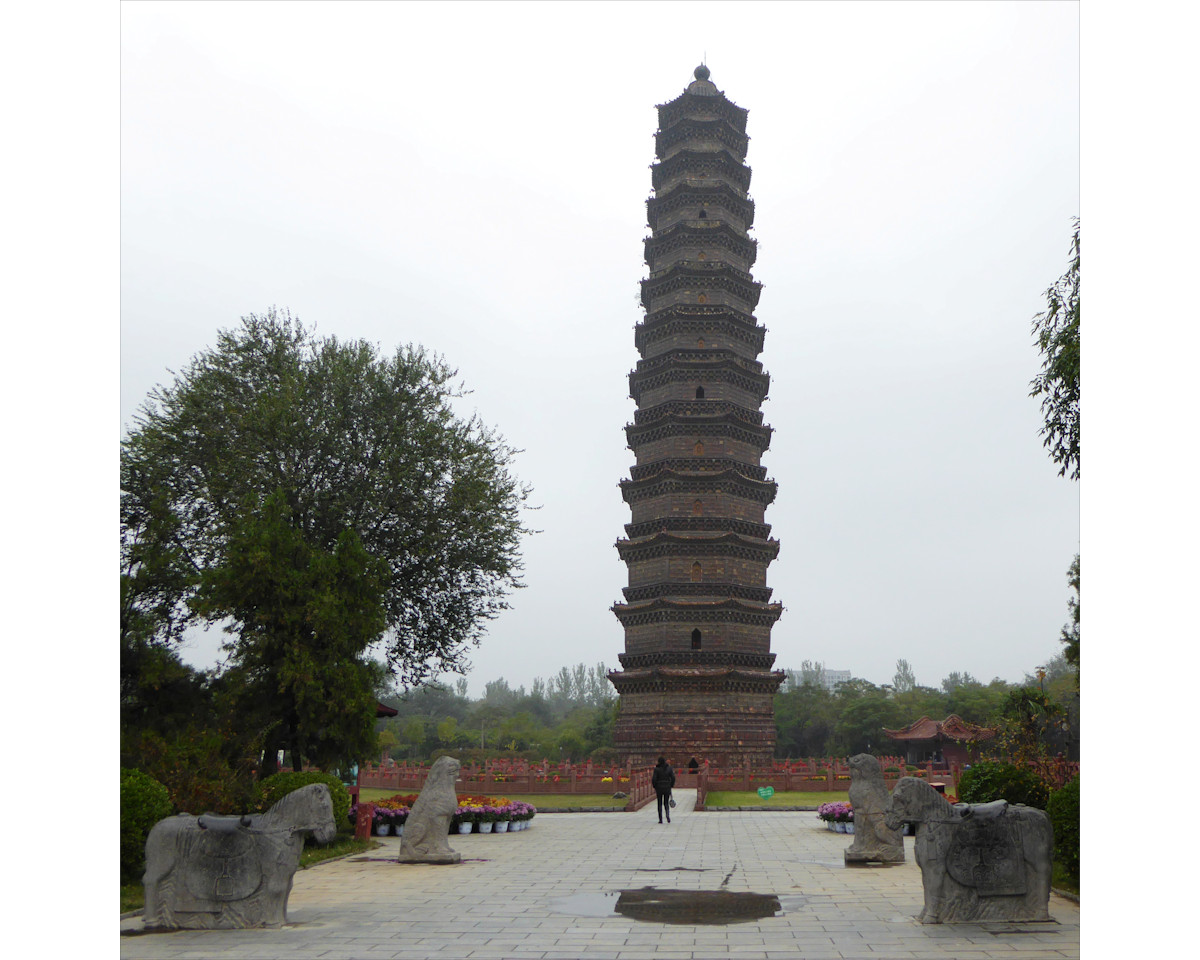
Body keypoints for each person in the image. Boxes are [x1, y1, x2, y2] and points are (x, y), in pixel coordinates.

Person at [651, 756, 676, 824]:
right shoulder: (669, 768)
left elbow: (654, 779)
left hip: (659, 787)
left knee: (659, 803)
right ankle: (667, 815)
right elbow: (673, 777)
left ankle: (660, 819)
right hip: (667, 786)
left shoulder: (657, 769)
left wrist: (654, 786)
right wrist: (671, 785)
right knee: (666, 802)